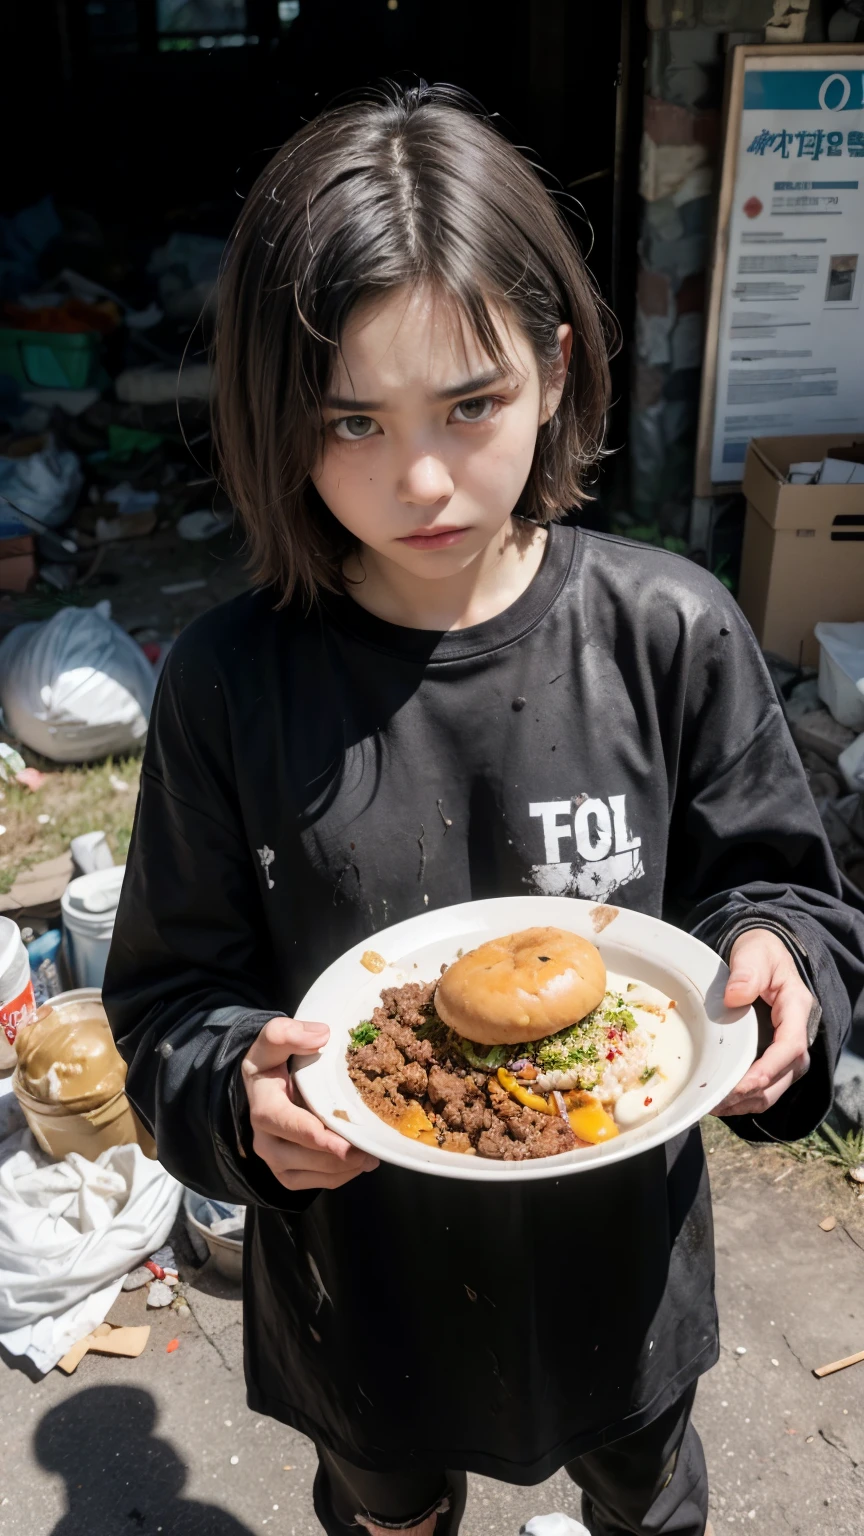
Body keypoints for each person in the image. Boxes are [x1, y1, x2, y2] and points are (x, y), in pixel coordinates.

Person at [104, 84, 864, 1536]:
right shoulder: (228, 685)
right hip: (356, 1279)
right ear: (278, 416)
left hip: (619, 1261)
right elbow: (169, 1007)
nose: (428, 477)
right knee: (389, 1510)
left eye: (472, 402)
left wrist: (787, 969)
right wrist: (235, 1100)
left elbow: (782, 896)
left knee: (646, 1493)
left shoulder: (672, 634)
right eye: (351, 421)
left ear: (555, 365)